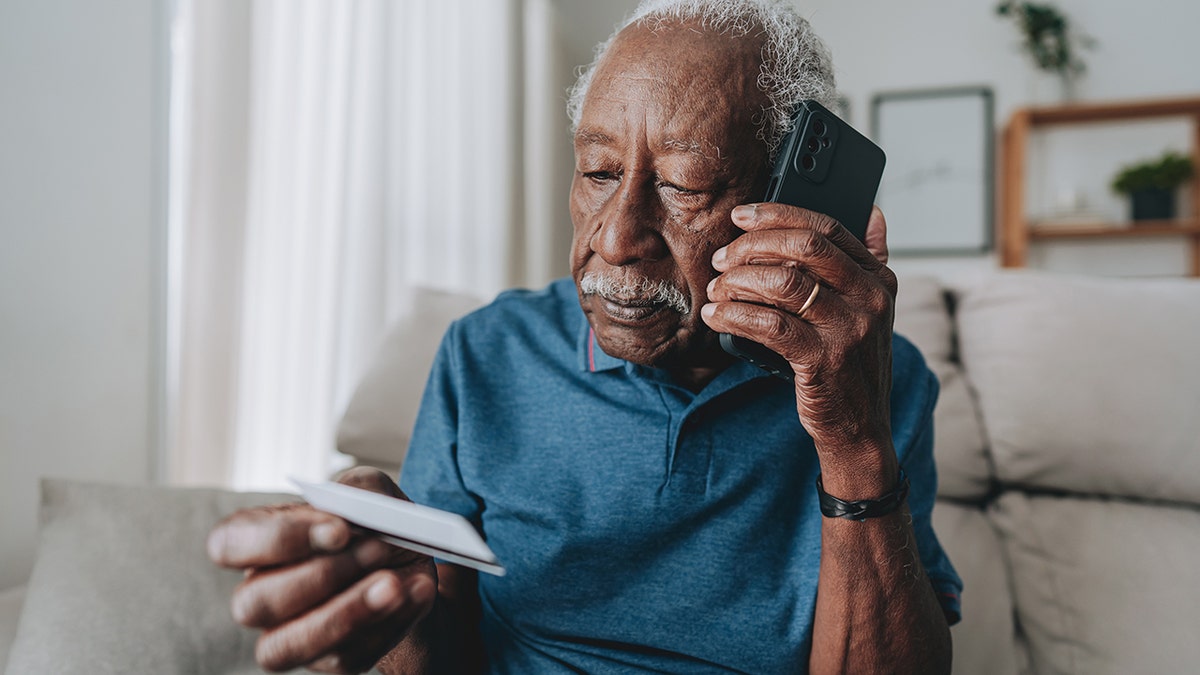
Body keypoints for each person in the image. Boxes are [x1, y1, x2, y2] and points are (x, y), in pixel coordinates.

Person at [207, 1, 962, 672]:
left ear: (785, 205)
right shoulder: (486, 354)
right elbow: (439, 647)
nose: (618, 237)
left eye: (683, 186)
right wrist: (387, 582)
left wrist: (854, 437)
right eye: (599, 171)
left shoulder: (879, 380)